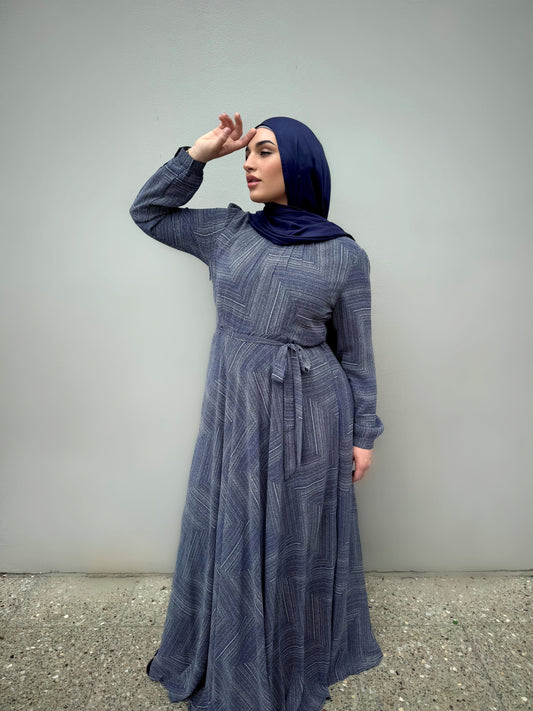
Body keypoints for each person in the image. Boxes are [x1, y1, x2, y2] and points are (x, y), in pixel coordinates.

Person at [129, 112, 384, 711]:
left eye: (263, 151)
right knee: (232, 527)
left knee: (295, 536)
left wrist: (363, 433)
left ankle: (290, 656)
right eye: (248, 153)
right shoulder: (226, 231)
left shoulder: (345, 255)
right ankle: (230, 654)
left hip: (311, 415)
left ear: (299, 164)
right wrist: (197, 156)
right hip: (237, 411)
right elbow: (149, 213)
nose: (248, 163)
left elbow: (356, 353)